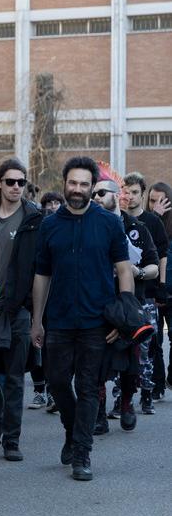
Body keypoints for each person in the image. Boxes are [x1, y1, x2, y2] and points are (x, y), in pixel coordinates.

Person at [32, 156, 134, 482]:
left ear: (92, 187)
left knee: (89, 387)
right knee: (58, 382)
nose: (77, 189)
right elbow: (42, 275)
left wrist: (123, 316)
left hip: (96, 322)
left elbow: (123, 270)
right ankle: (72, 429)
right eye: (73, 183)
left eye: (84, 184)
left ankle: (82, 452)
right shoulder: (49, 225)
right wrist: (37, 320)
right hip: (59, 321)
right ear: (64, 184)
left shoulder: (108, 223)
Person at [0, 159, 43, 461]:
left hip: (18, 309)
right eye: (11, 181)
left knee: (15, 378)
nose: (17, 187)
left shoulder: (34, 219)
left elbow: (41, 268)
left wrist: (36, 314)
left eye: (22, 182)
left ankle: (11, 440)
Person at [90, 178, 157, 433]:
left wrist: (137, 272)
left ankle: (127, 403)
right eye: (94, 194)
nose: (96, 198)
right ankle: (99, 412)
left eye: (101, 193)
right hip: (98, 303)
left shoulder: (137, 228)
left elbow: (153, 265)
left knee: (131, 364)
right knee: (96, 362)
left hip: (129, 306)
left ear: (117, 195)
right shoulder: (89, 226)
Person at [122, 172, 169, 414]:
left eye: (134, 192)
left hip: (147, 293)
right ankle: (122, 397)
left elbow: (161, 256)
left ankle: (148, 393)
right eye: (126, 192)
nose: (130, 196)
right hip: (121, 296)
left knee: (148, 346)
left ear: (142, 194)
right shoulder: (115, 220)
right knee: (122, 346)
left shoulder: (151, 222)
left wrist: (161, 286)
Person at [147, 181, 172, 394]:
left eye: (161, 201)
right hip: (153, 291)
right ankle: (157, 384)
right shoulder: (146, 222)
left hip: (171, 291)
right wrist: (155, 215)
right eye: (152, 201)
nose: (156, 205)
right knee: (155, 340)